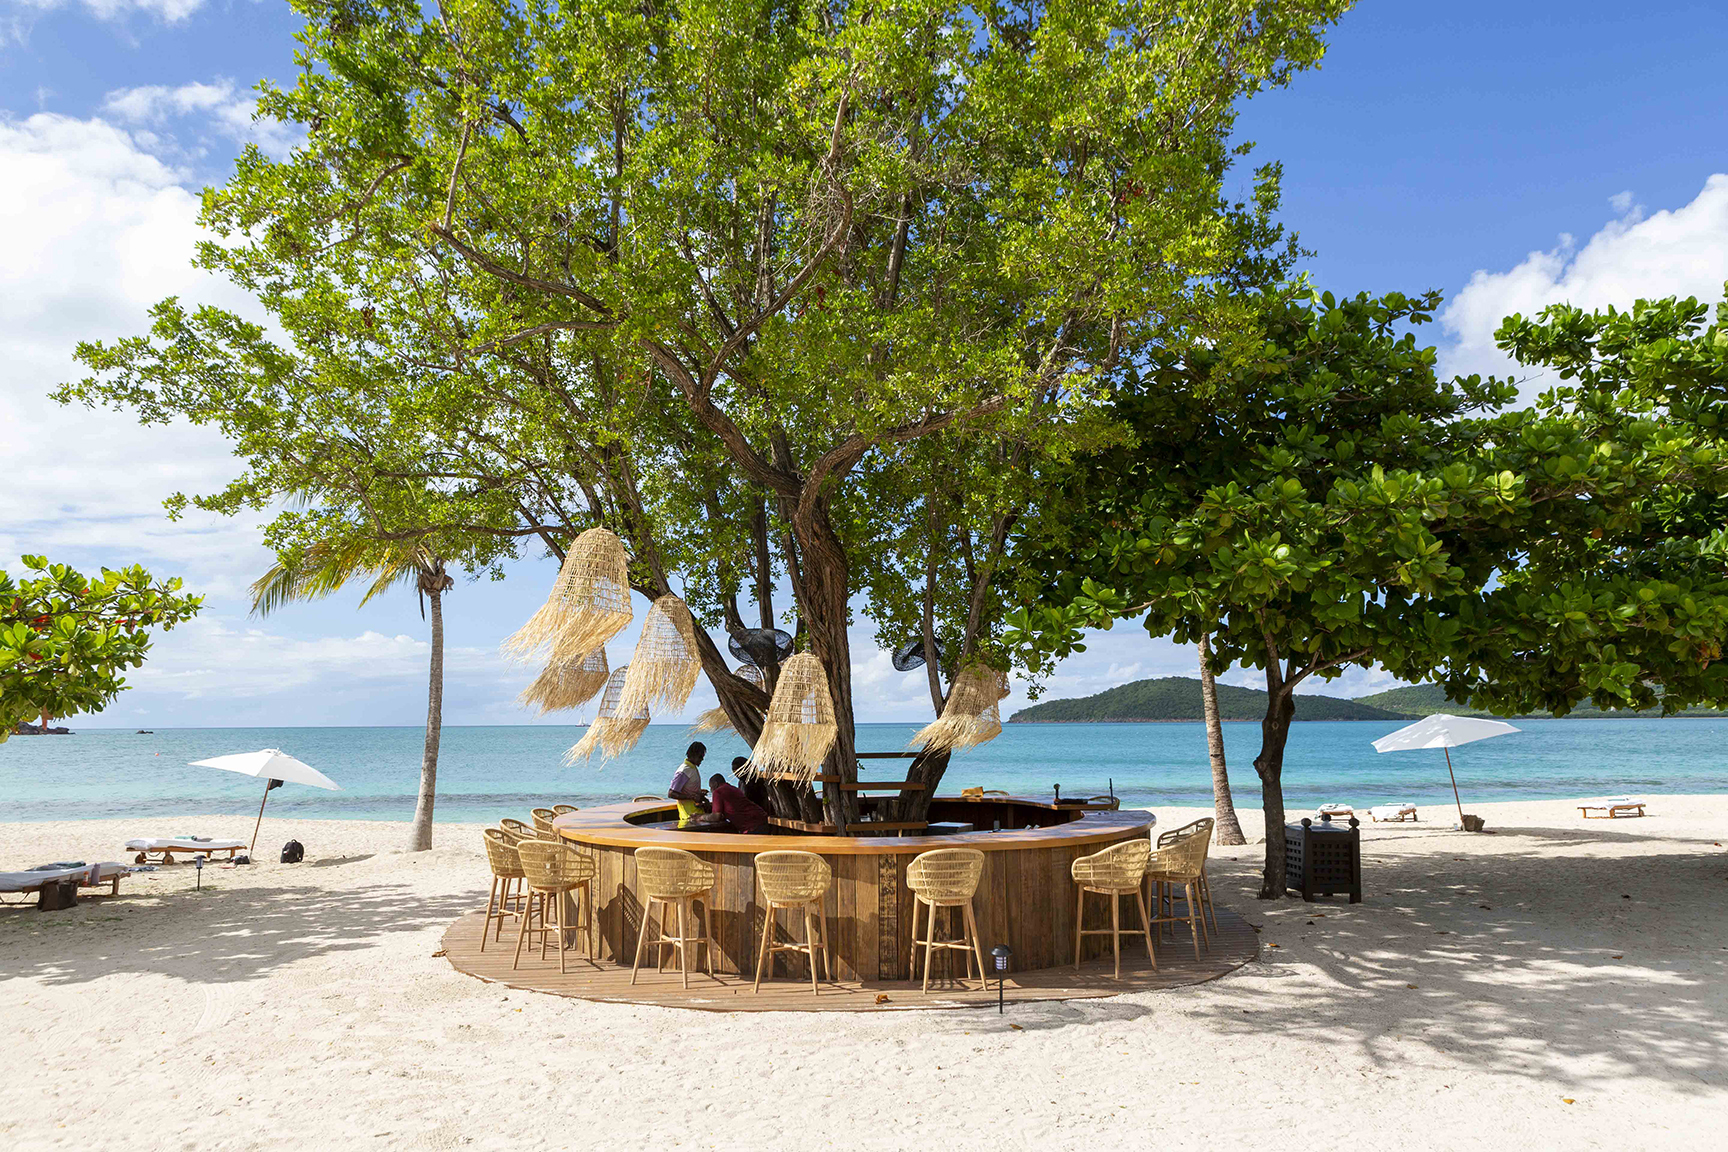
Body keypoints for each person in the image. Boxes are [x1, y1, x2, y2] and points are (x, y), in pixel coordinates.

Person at [668, 742, 709, 830]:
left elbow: (686, 788)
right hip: (689, 815)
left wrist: (699, 792)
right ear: (693, 755)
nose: (702, 759)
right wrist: (693, 796)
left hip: (696, 811)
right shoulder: (684, 771)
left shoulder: (692, 768)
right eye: (700, 756)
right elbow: (671, 793)